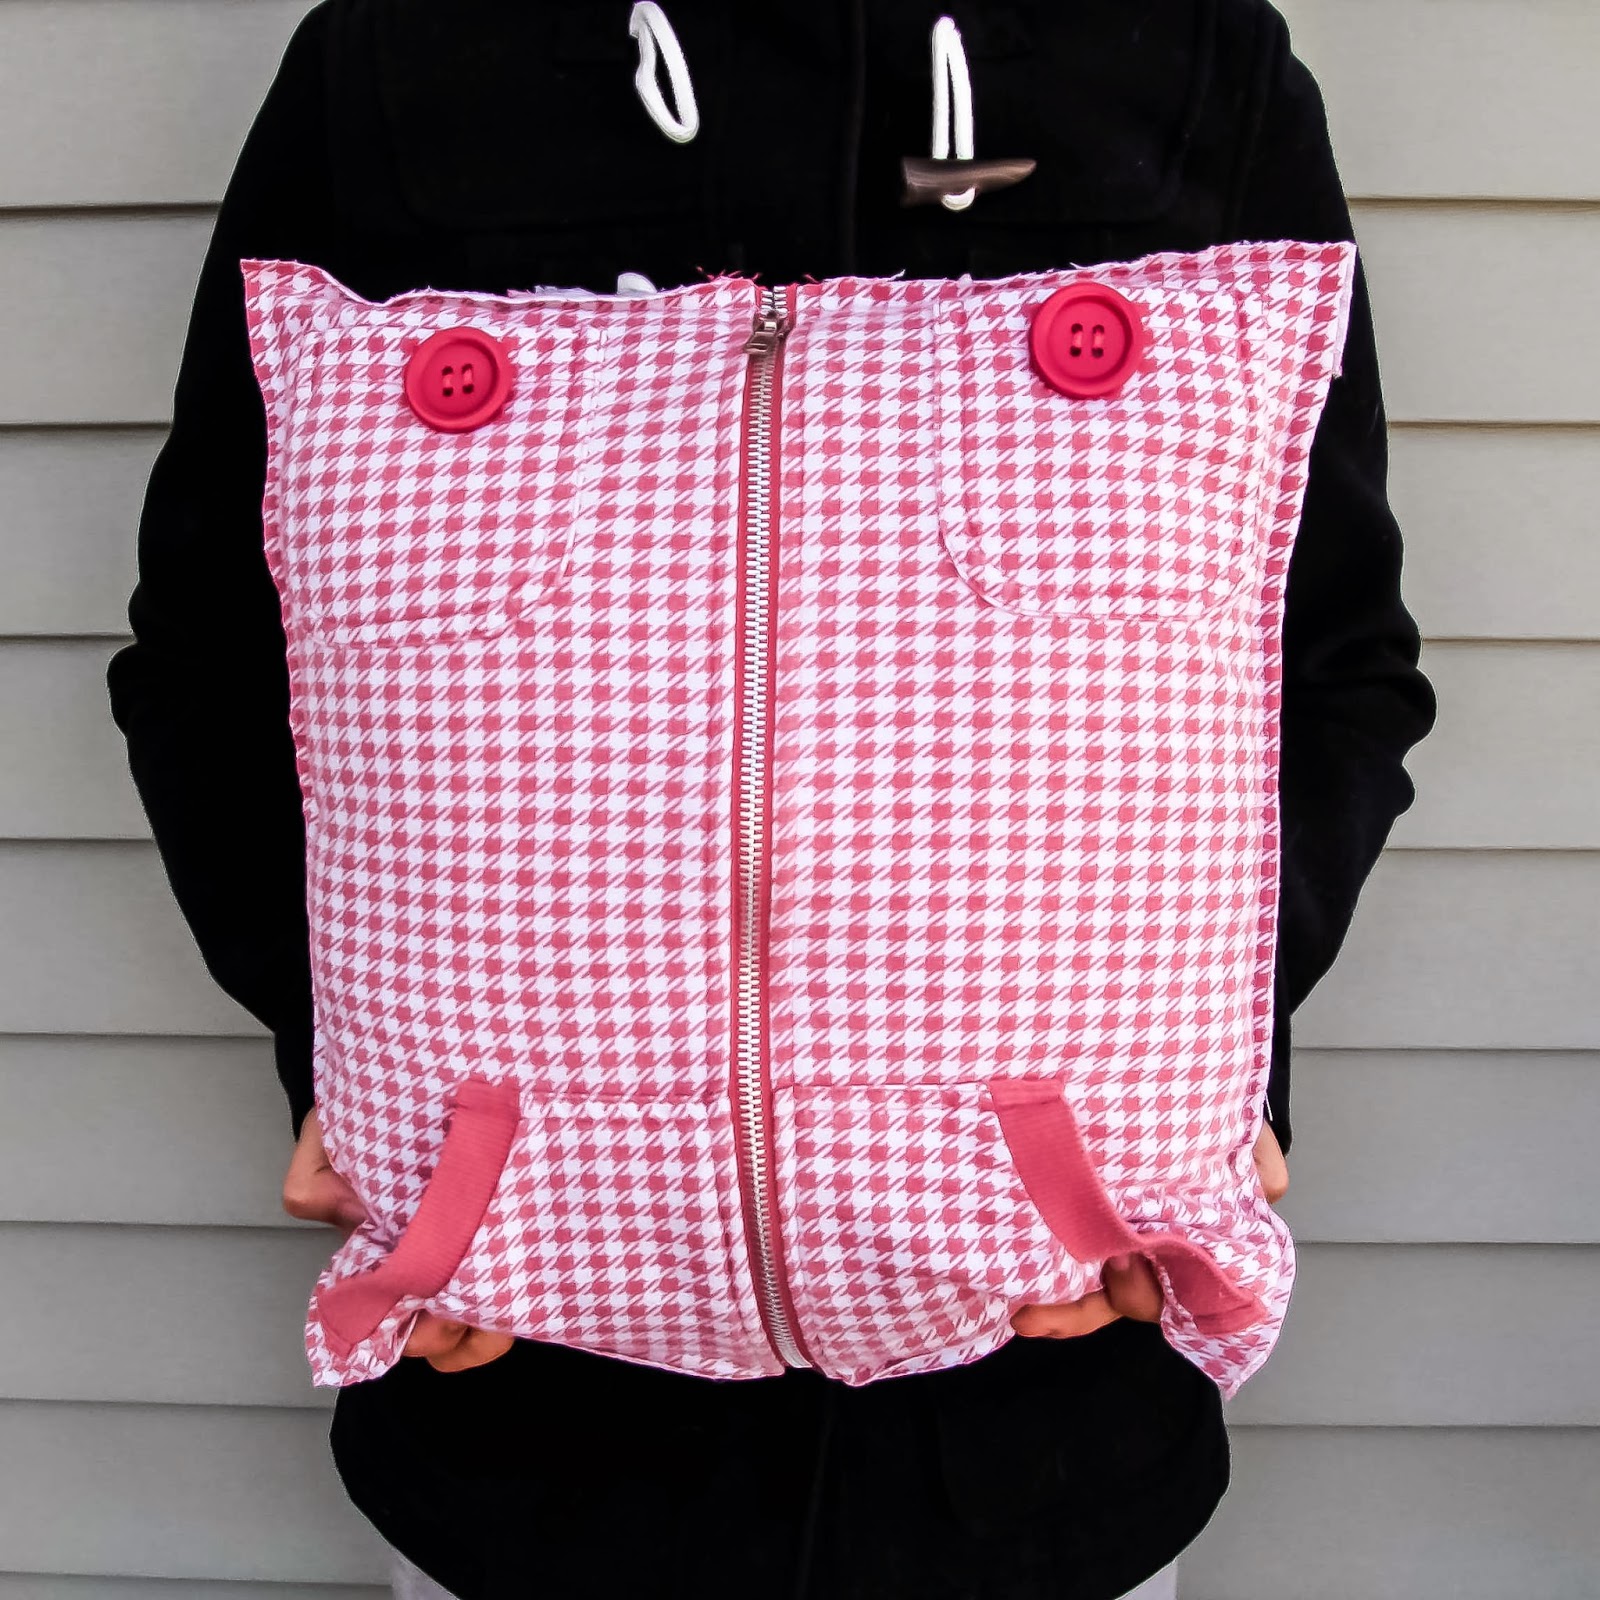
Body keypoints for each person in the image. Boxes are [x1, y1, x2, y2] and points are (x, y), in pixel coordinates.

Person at [107, 3, 1436, 1597]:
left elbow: (1328, 657)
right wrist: (358, 1074)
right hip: (521, 1428)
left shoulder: (1171, 50)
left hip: (1044, 1417)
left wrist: (1199, 1074)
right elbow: (215, 656)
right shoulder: (403, 59)